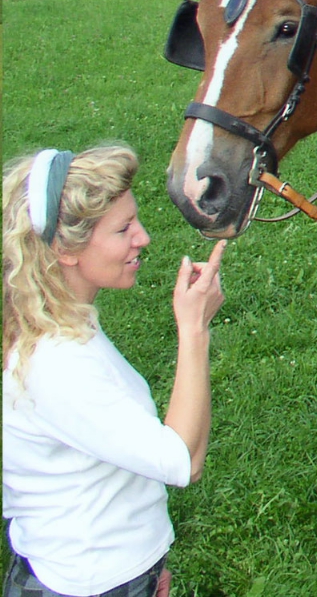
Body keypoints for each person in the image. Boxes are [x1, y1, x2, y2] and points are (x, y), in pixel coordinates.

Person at [3, 145, 226, 597]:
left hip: (100, 574)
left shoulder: (60, 323)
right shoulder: (58, 364)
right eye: (124, 228)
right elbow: (183, 460)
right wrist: (194, 328)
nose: (142, 237)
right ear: (66, 249)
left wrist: (146, 568)